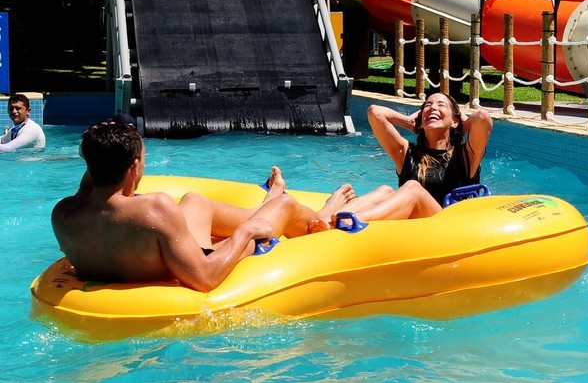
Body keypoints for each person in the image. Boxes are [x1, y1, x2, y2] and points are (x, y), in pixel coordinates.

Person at [51, 120, 355, 292]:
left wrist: (100, 146)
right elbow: (204, 279)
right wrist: (244, 234)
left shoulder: (64, 213)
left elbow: (93, 177)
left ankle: (268, 201)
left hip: (157, 257)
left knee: (195, 201)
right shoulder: (153, 210)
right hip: (199, 265)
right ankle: (324, 212)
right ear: (133, 166)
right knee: (287, 206)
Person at [308, 92, 493, 231]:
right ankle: (325, 219)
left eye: (440, 105)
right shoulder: (407, 153)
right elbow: (375, 112)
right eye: (427, 105)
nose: (432, 108)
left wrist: (458, 126)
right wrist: (409, 122)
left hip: (448, 229)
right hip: (408, 233)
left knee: (413, 189)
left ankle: (349, 221)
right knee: (385, 191)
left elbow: (483, 118)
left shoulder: (466, 156)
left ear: (455, 119)